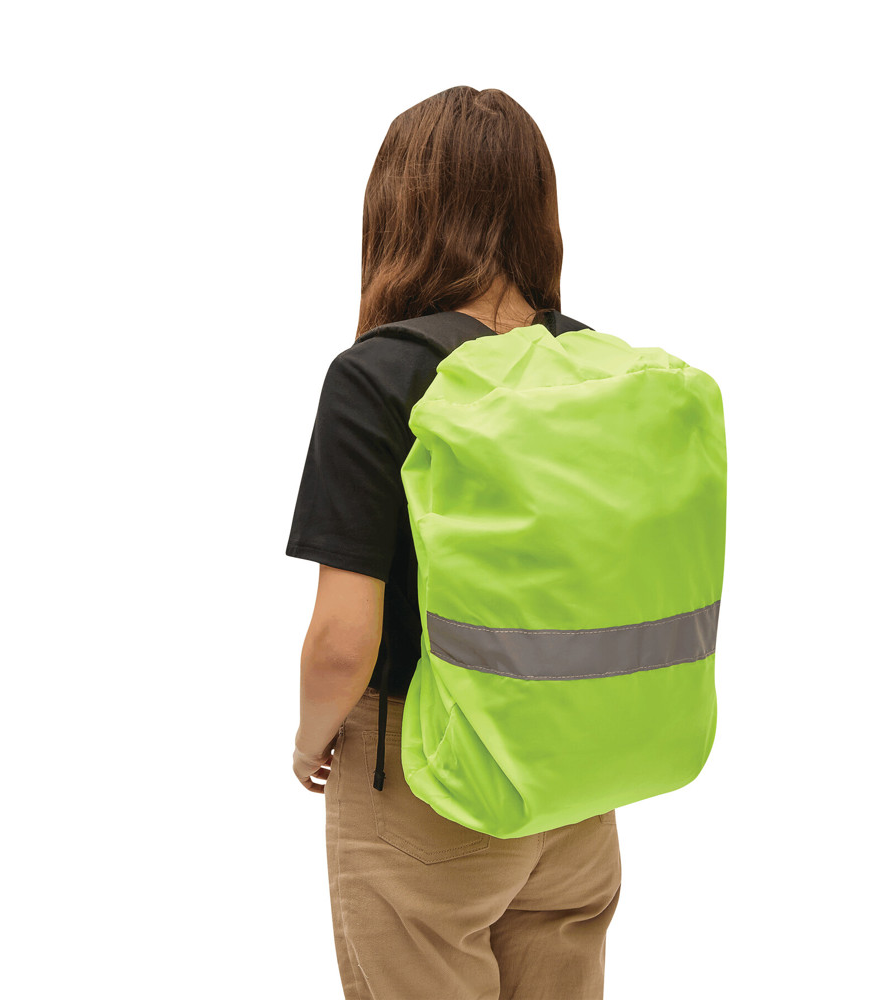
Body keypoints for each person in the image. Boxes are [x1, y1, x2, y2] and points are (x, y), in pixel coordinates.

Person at [285, 85, 621, 1000]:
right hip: (577, 787)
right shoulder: (593, 368)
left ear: (402, 211)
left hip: (428, 786)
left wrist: (311, 744)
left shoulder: (378, 377)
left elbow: (342, 640)